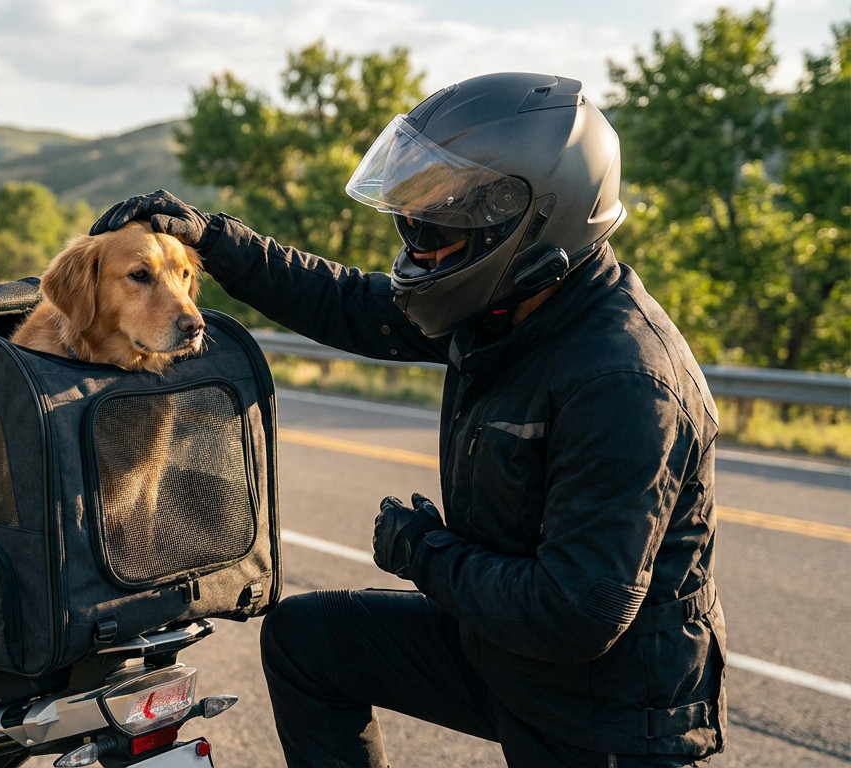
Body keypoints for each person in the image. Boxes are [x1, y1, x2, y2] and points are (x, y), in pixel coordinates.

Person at [90, 72, 724, 767]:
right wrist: (214, 239)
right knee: (311, 640)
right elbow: (349, 304)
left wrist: (426, 553)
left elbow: (577, 614)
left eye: (443, 220)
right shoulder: (508, 306)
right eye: (414, 213)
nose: (417, 238)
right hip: (503, 651)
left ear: (536, 217)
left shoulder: (622, 380)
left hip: (606, 709)